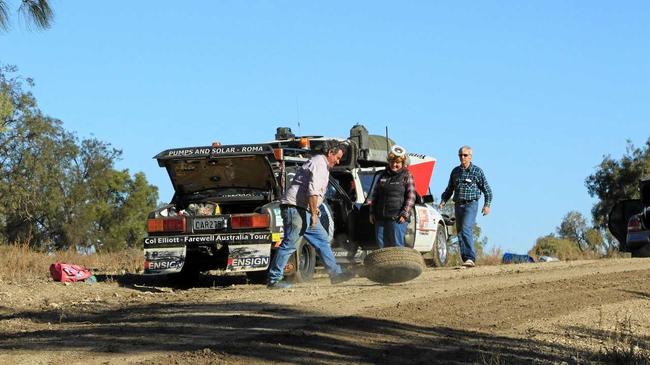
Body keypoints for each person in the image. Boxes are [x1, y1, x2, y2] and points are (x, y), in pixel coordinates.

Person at [267, 140, 354, 289]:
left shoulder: (321, 165)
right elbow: (312, 191)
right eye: (337, 157)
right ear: (330, 153)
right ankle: (274, 279)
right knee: (290, 244)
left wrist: (314, 209)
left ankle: (335, 274)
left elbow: (314, 193)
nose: (338, 161)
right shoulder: (319, 164)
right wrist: (314, 214)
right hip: (296, 209)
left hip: (303, 209)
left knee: (322, 241)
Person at [438, 145, 492, 268]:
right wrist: (443, 201)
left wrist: (487, 205)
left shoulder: (477, 171)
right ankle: (466, 259)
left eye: (465, 155)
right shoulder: (455, 171)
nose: (462, 157)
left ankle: (470, 258)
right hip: (458, 204)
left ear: (470, 156)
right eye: (460, 155)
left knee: (466, 228)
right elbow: (449, 189)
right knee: (460, 232)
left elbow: (487, 190)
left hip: (471, 204)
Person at [369, 145, 416, 248]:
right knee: (381, 245)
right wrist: (372, 212)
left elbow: (411, 196)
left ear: (402, 163)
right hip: (380, 217)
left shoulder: (407, 175)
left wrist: (405, 213)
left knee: (397, 245)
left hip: (398, 218)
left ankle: (399, 265)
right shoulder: (382, 175)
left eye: (397, 162)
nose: (394, 164)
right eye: (392, 161)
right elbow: (375, 196)